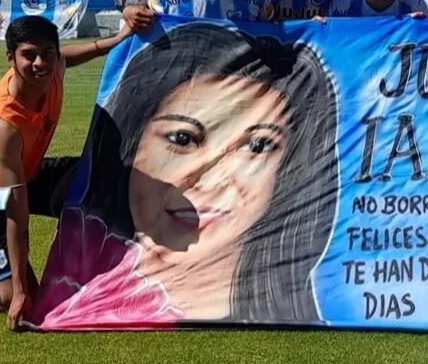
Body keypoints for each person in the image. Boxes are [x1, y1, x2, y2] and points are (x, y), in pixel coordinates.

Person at [30, 23, 339, 326]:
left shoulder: (312, 301)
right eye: (183, 139)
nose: (214, 175)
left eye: (257, 145)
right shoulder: (78, 279)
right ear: (131, 141)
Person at [0, 14, 145, 329]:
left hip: (30, 174)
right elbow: (15, 209)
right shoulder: (3, 124)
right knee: (17, 299)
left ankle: (93, 270)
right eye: (29, 55)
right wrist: (22, 291)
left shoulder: (54, 70)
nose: (40, 63)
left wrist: (117, 39)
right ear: (10, 57)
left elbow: (70, 56)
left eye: (47, 53)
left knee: (108, 180)